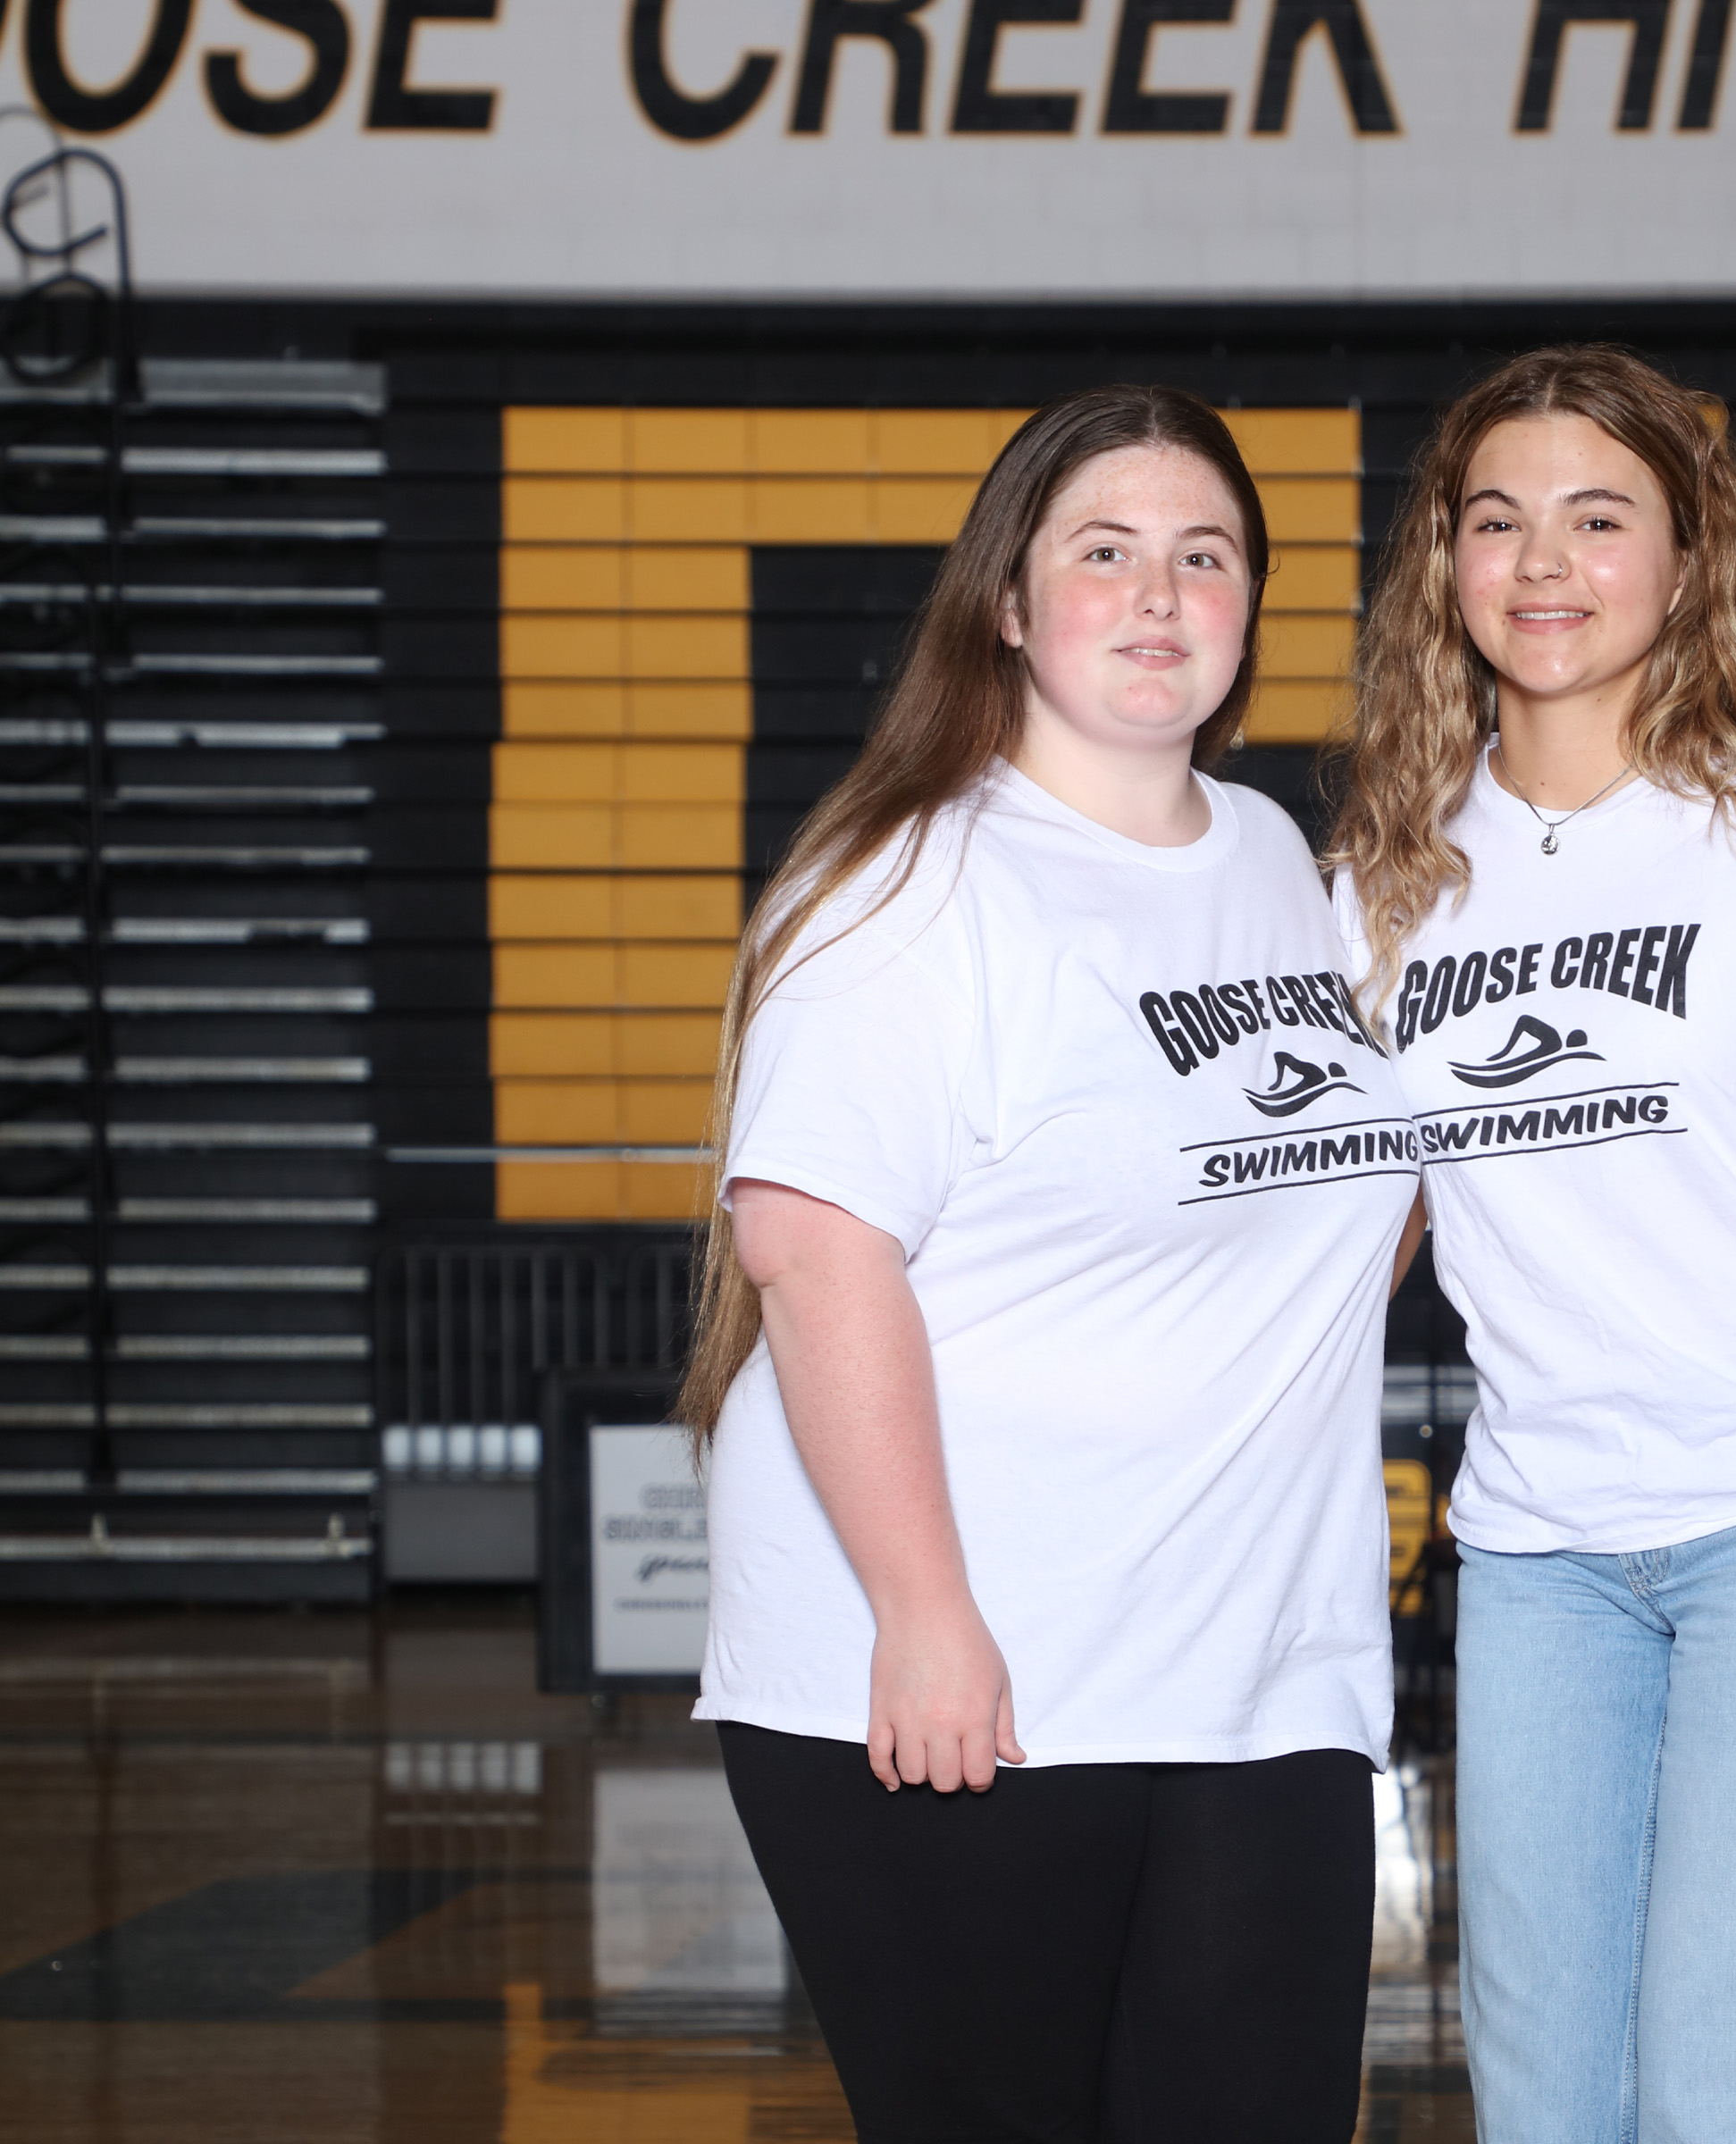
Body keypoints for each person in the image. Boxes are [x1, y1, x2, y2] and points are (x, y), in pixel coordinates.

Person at [679, 386, 1417, 2144]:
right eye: (1106, 554)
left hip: (1259, 1676)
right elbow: (809, 1243)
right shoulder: (909, 883)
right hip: (972, 1669)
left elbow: (1339, 1204)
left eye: (1204, 556)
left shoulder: (1283, 870)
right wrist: (925, 1615)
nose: (1160, 595)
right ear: (1008, 601)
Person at [1329, 346, 1736, 2143]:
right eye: (1499, 520)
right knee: (1550, 2110)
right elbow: (1349, 1242)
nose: (1545, 564)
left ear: (1690, 560)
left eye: (1598, 518)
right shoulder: (1389, 874)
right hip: (1543, 1557)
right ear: (1444, 567)